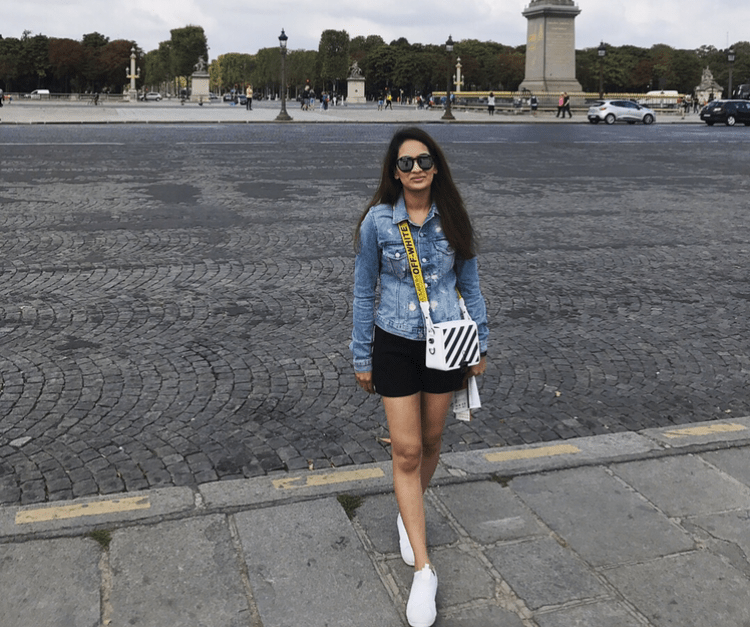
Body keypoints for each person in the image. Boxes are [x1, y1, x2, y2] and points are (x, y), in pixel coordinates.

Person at [352, 127, 489, 627]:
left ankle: (406, 513)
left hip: (446, 343)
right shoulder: (377, 223)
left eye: (424, 160)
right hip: (394, 342)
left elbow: (469, 283)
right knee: (407, 451)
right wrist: (362, 355)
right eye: (406, 162)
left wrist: (481, 343)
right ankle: (424, 570)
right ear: (394, 172)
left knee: (431, 442)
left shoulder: (452, 216)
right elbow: (363, 290)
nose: (415, 169)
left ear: (436, 167)